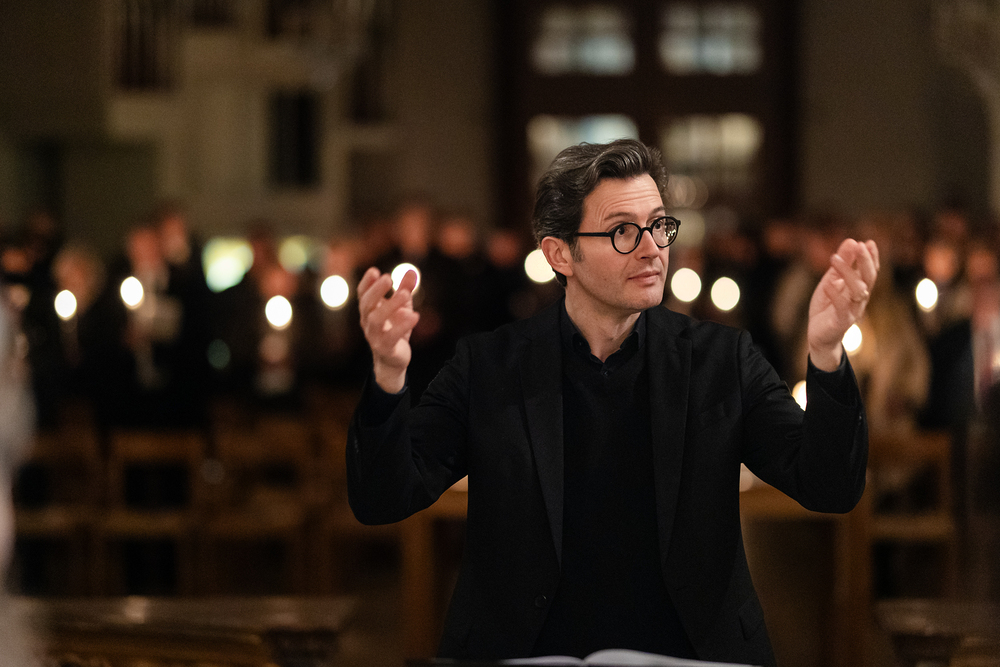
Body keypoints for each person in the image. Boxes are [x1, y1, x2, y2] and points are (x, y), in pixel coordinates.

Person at [347, 139, 878, 665]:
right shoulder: (488, 367)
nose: (652, 249)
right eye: (623, 231)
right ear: (559, 254)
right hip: (526, 650)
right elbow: (382, 499)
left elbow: (829, 487)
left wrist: (827, 353)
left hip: (690, 652)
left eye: (659, 226)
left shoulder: (723, 360)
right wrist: (389, 376)